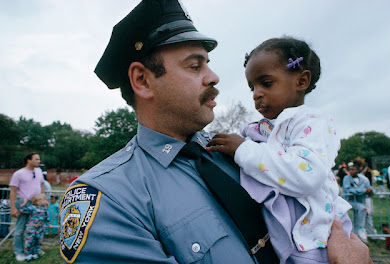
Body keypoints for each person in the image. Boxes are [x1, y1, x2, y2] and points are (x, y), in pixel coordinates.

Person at [60, 1, 372, 263]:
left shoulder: (239, 152)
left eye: (208, 64)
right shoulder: (109, 199)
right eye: (195, 66)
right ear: (142, 80)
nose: (214, 77)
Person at [206, 37, 352, 263]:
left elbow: (307, 174)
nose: (256, 94)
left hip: (315, 243)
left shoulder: (311, 122)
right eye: (252, 87)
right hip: (289, 241)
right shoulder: (266, 129)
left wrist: (243, 150)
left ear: (301, 81)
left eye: (266, 83)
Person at [9, 153, 46, 262]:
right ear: (29, 160)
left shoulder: (39, 171)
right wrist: (13, 208)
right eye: (37, 159)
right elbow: (13, 191)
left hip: (37, 203)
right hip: (24, 204)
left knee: (37, 228)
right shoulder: (18, 174)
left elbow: (42, 186)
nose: (39, 161)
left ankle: (35, 249)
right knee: (20, 229)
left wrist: (44, 200)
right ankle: (19, 252)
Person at [342, 164, 374, 243]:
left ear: (358, 170)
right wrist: (363, 191)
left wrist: (370, 190)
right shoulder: (346, 178)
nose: (351, 171)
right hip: (350, 201)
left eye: (353, 169)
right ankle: (361, 228)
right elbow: (349, 190)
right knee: (362, 209)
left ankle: (357, 233)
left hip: (360, 201)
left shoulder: (363, 179)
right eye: (350, 169)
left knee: (364, 213)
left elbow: (369, 187)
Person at [18, 194, 49, 261]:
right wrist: (24, 203)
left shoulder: (44, 208)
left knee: (38, 240)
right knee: (30, 241)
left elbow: (46, 216)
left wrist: (48, 223)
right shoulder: (32, 208)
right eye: (43, 200)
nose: (45, 201)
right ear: (38, 201)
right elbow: (22, 210)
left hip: (40, 228)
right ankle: (28, 254)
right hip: (31, 228)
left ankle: (35, 253)